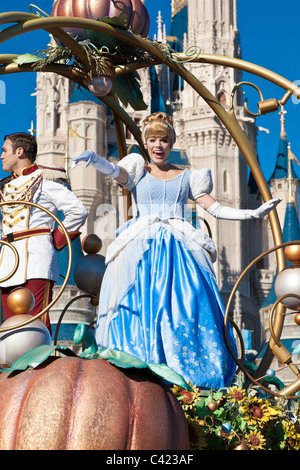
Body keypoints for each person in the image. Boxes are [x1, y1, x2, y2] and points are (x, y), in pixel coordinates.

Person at [72, 112, 281, 389]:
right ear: (145, 143)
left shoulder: (189, 177)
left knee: (185, 305)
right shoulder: (137, 169)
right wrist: (96, 160)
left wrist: (252, 214)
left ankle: (186, 376)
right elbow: (116, 173)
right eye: (153, 140)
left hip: (177, 250)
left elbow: (214, 208)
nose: (159, 145)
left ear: (172, 143)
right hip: (141, 248)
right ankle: (137, 368)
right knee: (139, 303)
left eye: (164, 140)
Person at [0, 132, 88, 334]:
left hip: (37, 257)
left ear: (19, 151)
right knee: (9, 325)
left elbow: (78, 211)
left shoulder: (45, 182)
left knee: (35, 321)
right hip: (8, 259)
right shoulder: (4, 186)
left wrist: (55, 240)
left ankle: (40, 364)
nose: (1, 156)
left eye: (4, 150)